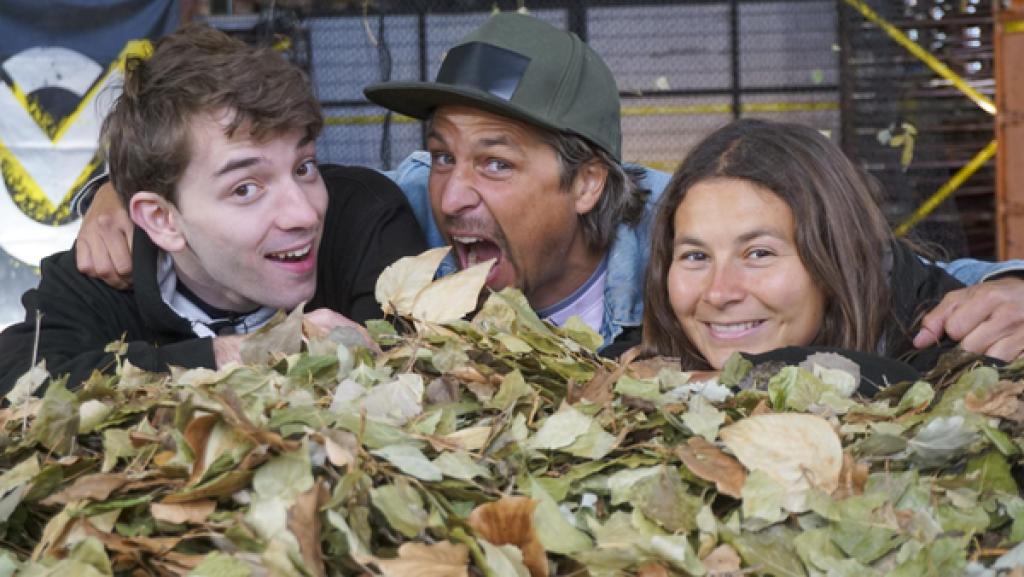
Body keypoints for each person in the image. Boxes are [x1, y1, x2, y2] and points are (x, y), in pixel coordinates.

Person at [73, 13, 1024, 360]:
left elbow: (893, 268)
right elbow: (232, 197)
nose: (453, 196)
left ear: (588, 183)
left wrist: (1009, 289)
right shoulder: (393, 212)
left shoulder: (682, 238)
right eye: (444, 153)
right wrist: (119, 195)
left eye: (496, 161)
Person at [0, 25, 425, 395]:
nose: (303, 214)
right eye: (245, 188)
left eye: (304, 167)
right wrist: (229, 355)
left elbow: (413, 362)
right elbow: (22, 378)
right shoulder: (103, 271)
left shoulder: (365, 216)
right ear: (162, 220)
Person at [642, 118, 970, 375]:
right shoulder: (632, 373)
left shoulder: (961, 353)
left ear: (837, 254)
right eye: (696, 256)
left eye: (759, 253)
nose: (719, 293)